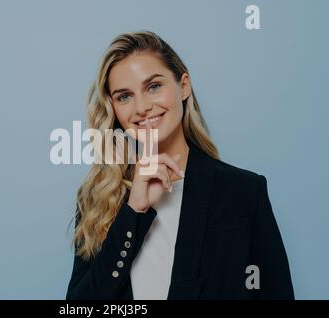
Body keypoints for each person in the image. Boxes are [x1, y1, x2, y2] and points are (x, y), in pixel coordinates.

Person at [66, 31, 294, 300]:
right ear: (113, 108)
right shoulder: (98, 198)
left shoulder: (243, 192)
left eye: (153, 87)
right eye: (124, 96)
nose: (141, 107)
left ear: (183, 85)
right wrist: (133, 211)